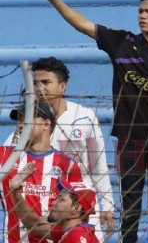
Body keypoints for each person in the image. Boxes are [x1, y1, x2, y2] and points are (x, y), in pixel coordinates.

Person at [34, 0, 148, 243]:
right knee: (131, 206)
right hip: (129, 140)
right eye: (140, 11)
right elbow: (82, 25)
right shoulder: (123, 43)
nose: (142, 16)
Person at [29, 56, 114, 240]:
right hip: (43, 200)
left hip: (79, 203)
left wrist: (107, 205)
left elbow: (98, 166)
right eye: (35, 83)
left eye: (45, 82)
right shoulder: (26, 122)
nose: (39, 88)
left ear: (62, 86)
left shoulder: (84, 117)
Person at [0, 103, 83, 243]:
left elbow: (77, 214)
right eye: (19, 120)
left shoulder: (68, 165)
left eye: (26, 119)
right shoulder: (3, 156)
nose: (20, 125)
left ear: (46, 124)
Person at [10, 163, 99, 243]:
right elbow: (32, 223)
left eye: (61, 199)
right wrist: (15, 191)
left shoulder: (77, 235)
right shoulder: (68, 231)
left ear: (76, 208)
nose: (53, 203)